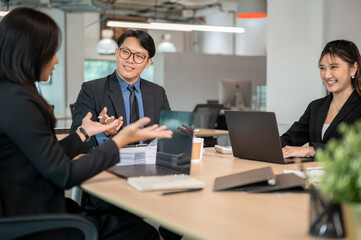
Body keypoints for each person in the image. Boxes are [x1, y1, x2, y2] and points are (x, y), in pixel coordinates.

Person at [0, 7, 173, 240]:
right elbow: (64, 174)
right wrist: (120, 140)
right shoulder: (20, 103)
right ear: (31, 54)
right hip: (36, 218)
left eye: (139, 56)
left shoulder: (11, 96)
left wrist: (83, 133)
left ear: (148, 62)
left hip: (30, 207)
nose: (56, 59)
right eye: (52, 51)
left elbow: (46, 157)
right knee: (145, 234)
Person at [70, 29, 170, 150]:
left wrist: (183, 136)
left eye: (139, 56)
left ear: (148, 63)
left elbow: (167, 134)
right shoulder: (91, 90)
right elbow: (76, 141)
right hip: (111, 164)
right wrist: (104, 133)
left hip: (150, 164)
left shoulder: (158, 93)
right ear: (117, 52)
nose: (130, 60)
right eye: (125, 52)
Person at [281, 39, 361, 158]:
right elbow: (289, 139)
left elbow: (355, 152)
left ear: (353, 68)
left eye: (334, 67)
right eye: (322, 68)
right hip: (314, 175)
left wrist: (313, 150)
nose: (327, 75)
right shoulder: (315, 107)